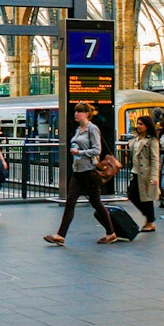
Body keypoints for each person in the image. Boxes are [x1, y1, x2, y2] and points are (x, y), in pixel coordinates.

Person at [44, 103, 116, 245]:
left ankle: (111, 232)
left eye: (80, 111)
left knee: (96, 203)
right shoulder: (78, 129)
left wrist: (80, 152)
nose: (76, 114)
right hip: (78, 170)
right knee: (70, 202)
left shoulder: (92, 129)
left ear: (87, 114)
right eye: (76, 111)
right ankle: (60, 235)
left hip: (89, 171)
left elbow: (97, 150)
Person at [127, 115, 160, 233]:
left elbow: (155, 159)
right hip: (135, 172)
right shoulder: (136, 139)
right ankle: (149, 218)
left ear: (147, 126)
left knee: (147, 198)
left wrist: (154, 176)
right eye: (138, 123)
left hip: (146, 173)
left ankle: (150, 222)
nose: (138, 126)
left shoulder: (152, 141)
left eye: (141, 124)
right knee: (132, 195)